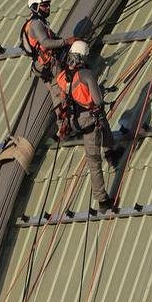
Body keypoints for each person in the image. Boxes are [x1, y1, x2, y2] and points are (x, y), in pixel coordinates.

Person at [55, 40, 120, 213]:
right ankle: (102, 200)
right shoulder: (86, 74)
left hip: (73, 121)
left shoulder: (62, 76)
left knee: (101, 121)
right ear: (83, 56)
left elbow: (63, 100)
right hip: (89, 121)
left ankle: (110, 151)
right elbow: (98, 101)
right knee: (93, 160)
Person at [19, 0, 73, 84]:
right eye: (44, 5)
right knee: (60, 91)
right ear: (35, 7)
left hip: (46, 64)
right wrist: (66, 42)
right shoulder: (36, 23)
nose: (48, 8)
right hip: (48, 64)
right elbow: (45, 43)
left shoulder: (40, 22)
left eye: (48, 5)